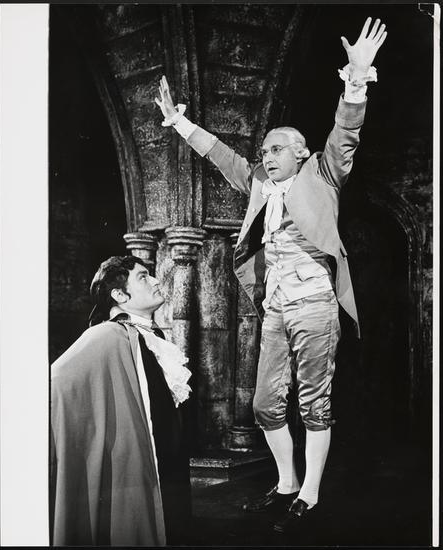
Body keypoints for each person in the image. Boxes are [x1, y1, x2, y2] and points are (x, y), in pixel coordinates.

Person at [155, 17, 387, 533]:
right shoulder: (261, 181)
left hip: (316, 302)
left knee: (314, 402)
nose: (266, 156)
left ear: (301, 152)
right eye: (264, 152)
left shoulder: (323, 171)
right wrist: (178, 123)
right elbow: (223, 156)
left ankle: (309, 494)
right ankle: (284, 484)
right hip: (276, 305)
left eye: (276, 149)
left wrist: (356, 80)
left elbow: (346, 132)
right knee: (264, 403)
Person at [50, 256, 192, 546]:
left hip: (165, 466)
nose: (155, 281)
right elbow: (56, 381)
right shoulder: (107, 335)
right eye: (143, 277)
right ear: (119, 295)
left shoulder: (148, 335)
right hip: (136, 465)